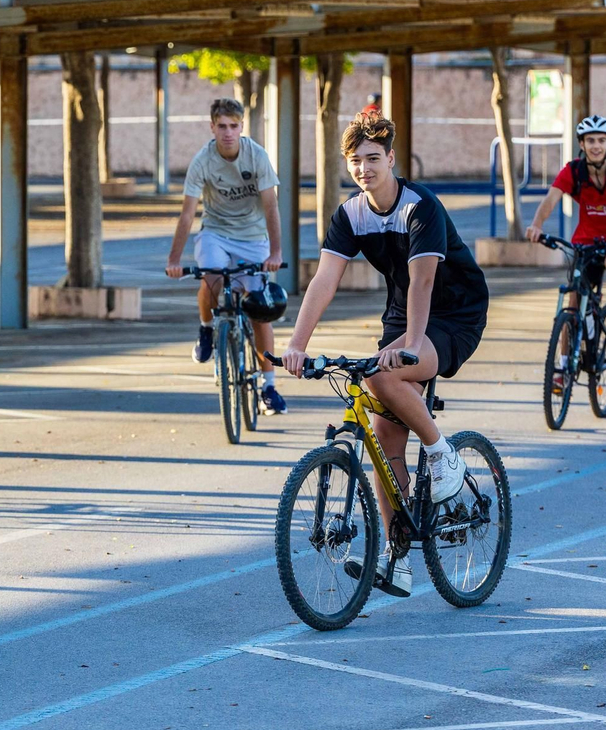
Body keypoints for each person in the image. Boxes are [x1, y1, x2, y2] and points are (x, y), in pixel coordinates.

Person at [282, 110, 488, 597]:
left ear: (391, 158)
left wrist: (414, 345)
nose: (364, 168)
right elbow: (325, 279)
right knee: (381, 433)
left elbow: (423, 280)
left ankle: (443, 456)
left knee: (381, 378)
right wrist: (297, 344)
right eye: (355, 161)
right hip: (403, 318)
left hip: (454, 312)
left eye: (373, 158)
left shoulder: (421, 207)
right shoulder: (350, 214)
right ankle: (398, 559)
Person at [165, 97, 287, 415]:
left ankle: (268, 387)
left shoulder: (256, 156)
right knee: (211, 279)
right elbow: (187, 213)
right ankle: (207, 328)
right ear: (212, 127)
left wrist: (276, 252)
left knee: (259, 306)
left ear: (242, 127)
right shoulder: (202, 161)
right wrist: (174, 260)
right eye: (222, 126)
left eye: (234, 126)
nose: (228, 133)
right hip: (216, 233)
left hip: (252, 237)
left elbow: (271, 206)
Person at [525, 115, 606, 357]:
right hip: (586, 240)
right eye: (590, 140)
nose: (596, 145)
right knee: (573, 303)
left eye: (601, 140)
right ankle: (563, 364)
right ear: (582, 144)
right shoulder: (573, 171)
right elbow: (551, 198)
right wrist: (536, 225)